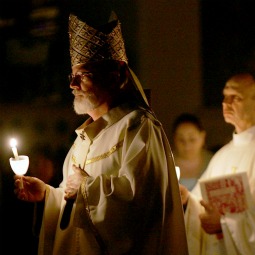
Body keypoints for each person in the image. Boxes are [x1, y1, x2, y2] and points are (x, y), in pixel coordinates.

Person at [13, 7, 188, 255]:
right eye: (72, 76)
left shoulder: (139, 128)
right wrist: (49, 196)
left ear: (116, 76)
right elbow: (72, 204)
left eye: (83, 75)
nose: (73, 85)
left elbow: (143, 208)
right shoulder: (82, 141)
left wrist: (86, 189)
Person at [180, 72, 255, 255]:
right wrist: (186, 200)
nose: (225, 103)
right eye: (224, 96)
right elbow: (201, 204)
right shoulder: (222, 156)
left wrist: (223, 224)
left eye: (235, 97)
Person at [172, 113, 213, 191]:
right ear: (174, 139)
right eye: (181, 139)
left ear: (202, 136)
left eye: (192, 139)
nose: (186, 145)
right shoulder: (165, 165)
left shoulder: (214, 162)